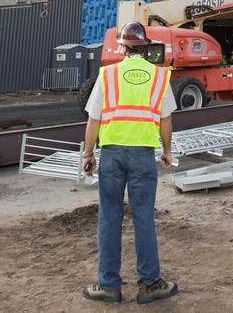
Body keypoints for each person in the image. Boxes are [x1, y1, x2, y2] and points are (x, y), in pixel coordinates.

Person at [80, 22, 178, 305]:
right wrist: (167, 151)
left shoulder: (107, 75)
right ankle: (149, 284)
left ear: (122, 47)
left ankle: (108, 285)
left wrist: (88, 154)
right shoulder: (159, 77)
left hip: (111, 155)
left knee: (109, 218)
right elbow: (166, 119)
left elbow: (94, 119)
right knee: (143, 217)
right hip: (142, 155)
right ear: (145, 47)